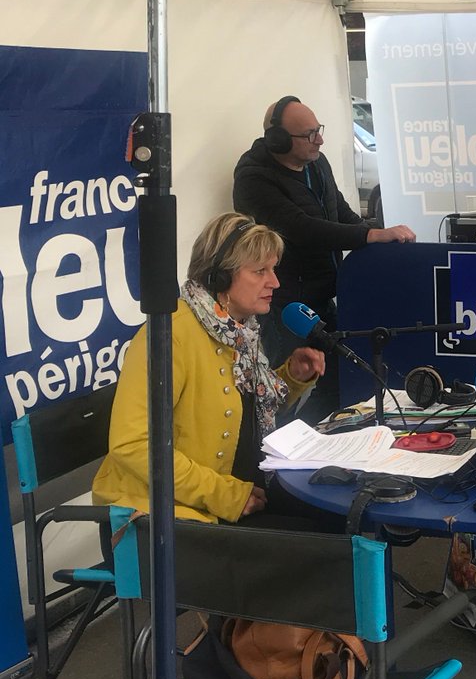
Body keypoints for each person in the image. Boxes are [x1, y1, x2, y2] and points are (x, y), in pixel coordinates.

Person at [93, 213, 326, 524]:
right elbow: (132, 444)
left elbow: (247, 415)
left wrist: (291, 378)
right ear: (220, 277)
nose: (275, 282)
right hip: (166, 519)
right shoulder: (169, 336)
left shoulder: (239, 331)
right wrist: (223, 494)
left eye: (273, 269)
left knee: (335, 521)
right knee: (326, 545)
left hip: (239, 496)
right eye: (260, 271)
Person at [233, 96, 416, 424]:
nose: (320, 139)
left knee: (333, 378)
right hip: (281, 306)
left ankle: (313, 443)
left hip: (322, 297)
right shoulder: (253, 178)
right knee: (278, 393)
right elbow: (302, 229)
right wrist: (368, 237)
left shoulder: (317, 163)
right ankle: (275, 458)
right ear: (279, 140)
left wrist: (374, 233)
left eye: (319, 130)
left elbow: (340, 213)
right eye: (310, 134)